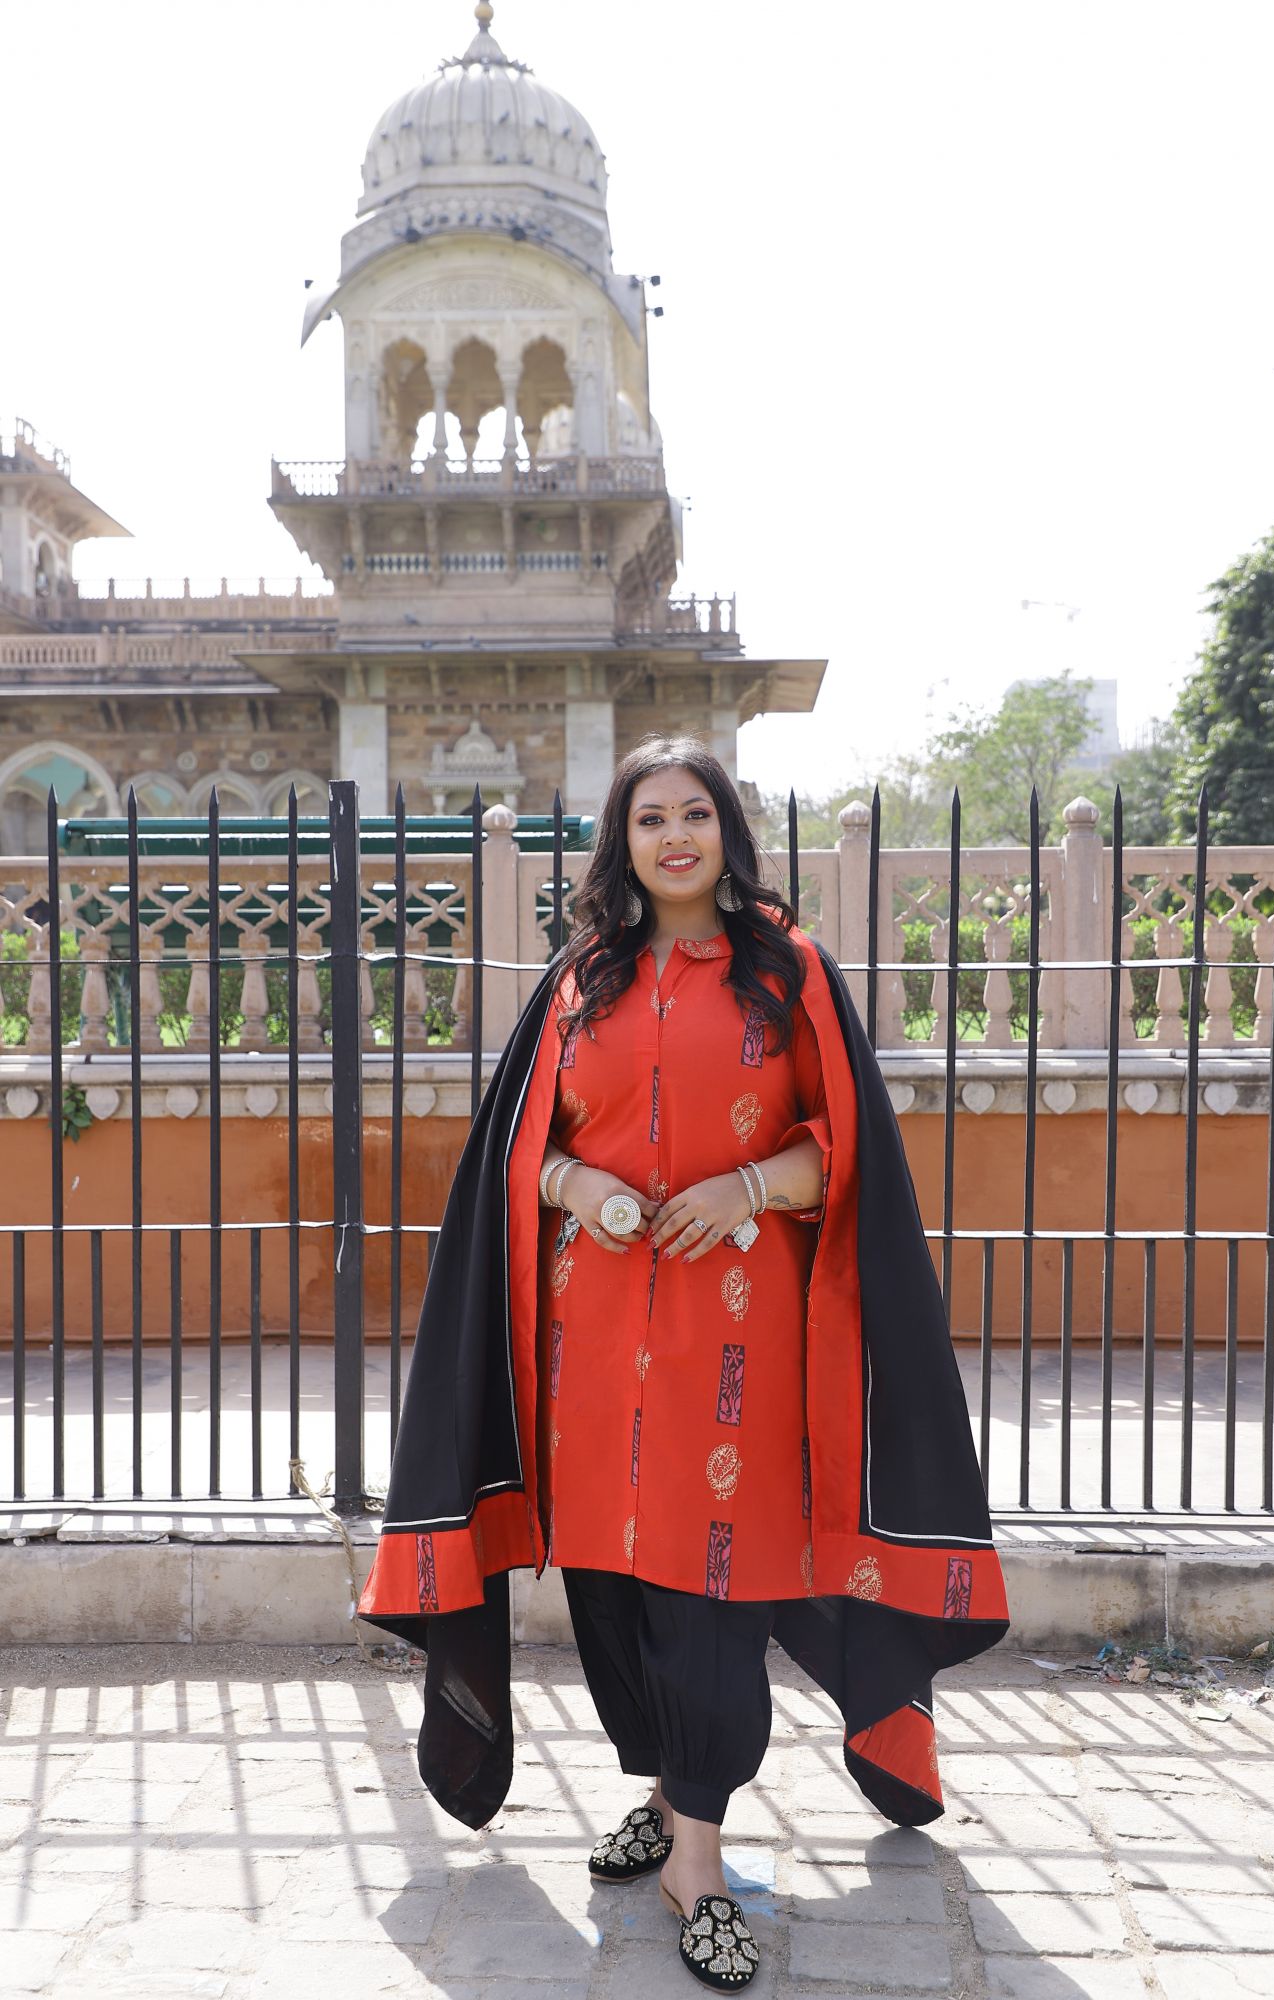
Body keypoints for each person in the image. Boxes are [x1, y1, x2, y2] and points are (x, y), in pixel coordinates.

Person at [357, 734, 1009, 1991]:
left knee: (716, 1592)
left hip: (739, 1344)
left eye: (694, 812)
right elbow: (511, 1154)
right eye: (648, 815)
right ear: (622, 838)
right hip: (589, 1341)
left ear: (726, 830)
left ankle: (696, 1858)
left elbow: (854, 1152)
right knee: (609, 1588)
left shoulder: (786, 970)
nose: (672, 835)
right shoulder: (579, 981)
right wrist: (574, 1180)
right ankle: (663, 1792)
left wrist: (751, 1183)